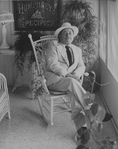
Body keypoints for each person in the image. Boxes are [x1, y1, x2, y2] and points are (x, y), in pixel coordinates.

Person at [44, 22, 93, 111]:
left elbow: (81, 66)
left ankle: (82, 115)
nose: (68, 35)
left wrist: (76, 75)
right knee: (72, 81)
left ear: (73, 36)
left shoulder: (77, 50)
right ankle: (91, 109)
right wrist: (68, 75)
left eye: (70, 33)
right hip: (55, 81)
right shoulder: (53, 45)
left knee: (73, 83)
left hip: (71, 80)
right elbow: (52, 64)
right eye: (65, 33)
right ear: (60, 36)